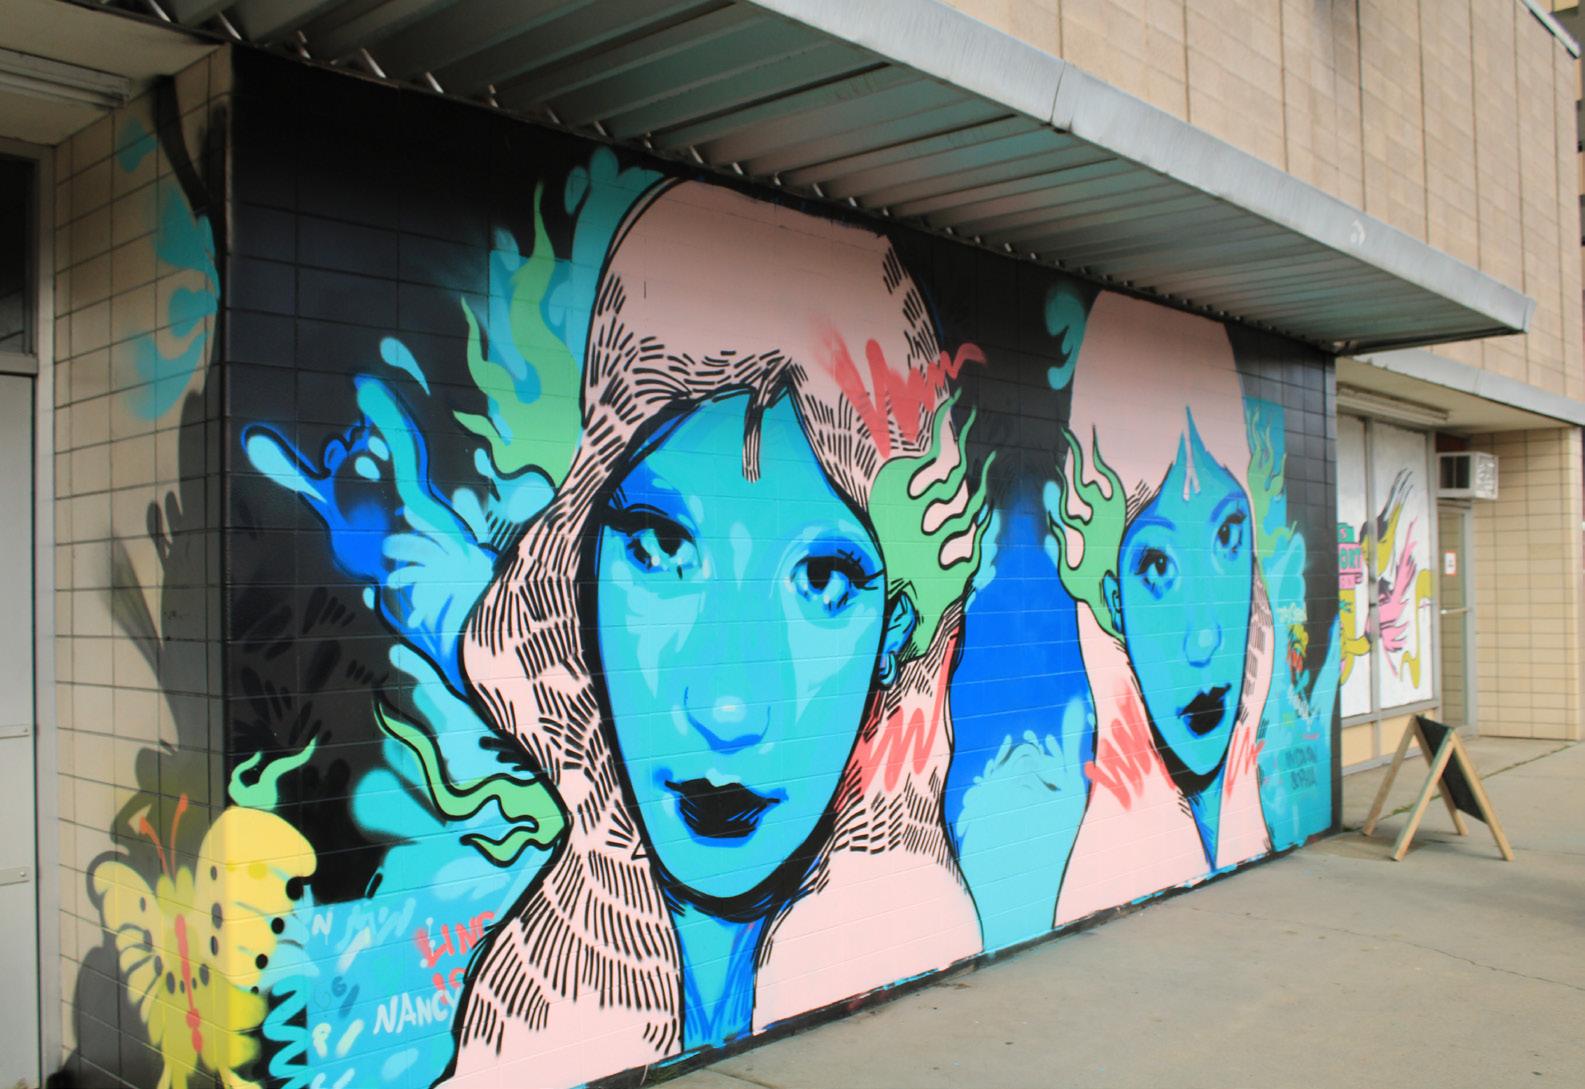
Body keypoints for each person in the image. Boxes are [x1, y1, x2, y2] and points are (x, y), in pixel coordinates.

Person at [443, 180, 987, 1087]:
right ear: (579, 572)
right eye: (660, 548)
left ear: (897, 627)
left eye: (823, 579)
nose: (727, 706)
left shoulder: (910, 934)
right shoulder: (523, 1023)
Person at [1047, 293, 1273, 923]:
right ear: (1111, 601)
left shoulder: (1247, 818)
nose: (1205, 636)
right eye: (1157, 567)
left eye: (1228, 537)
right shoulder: (1093, 881)